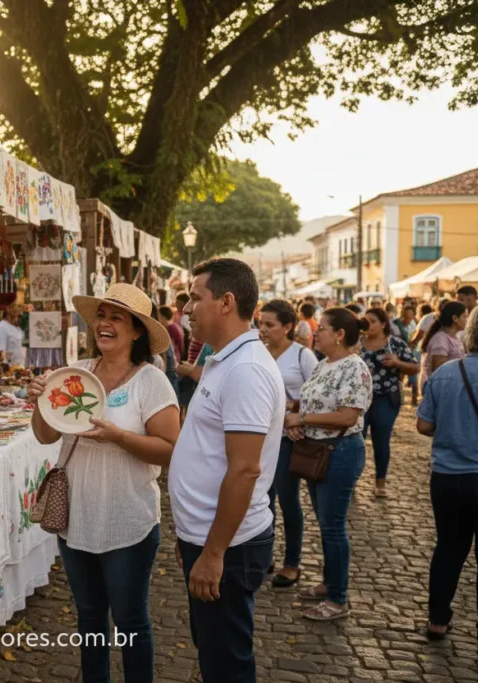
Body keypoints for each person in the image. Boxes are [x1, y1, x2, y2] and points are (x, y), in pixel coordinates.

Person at [28, 283, 179, 683]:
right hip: (77, 518)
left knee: (130, 621)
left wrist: (120, 437)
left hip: (128, 520)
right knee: (90, 616)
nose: (104, 323)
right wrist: (40, 401)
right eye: (101, 315)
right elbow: (45, 435)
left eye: (117, 317)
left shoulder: (151, 381)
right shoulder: (76, 373)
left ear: (137, 331)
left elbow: (169, 449)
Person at [169, 259, 282, 682]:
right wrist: (192, 534)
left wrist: (213, 552)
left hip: (229, 546)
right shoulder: (225, 360)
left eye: (195, 298)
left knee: (226, 664)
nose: (187, 309)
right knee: (213, 651)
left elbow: (245, 470)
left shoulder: (246, 369)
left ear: (226, 302)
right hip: (209, 536)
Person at [285, 308, 372, 621]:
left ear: (339, 335)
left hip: (341, 451)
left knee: (333, 526)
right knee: (325, 523)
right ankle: (330, 582)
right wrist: (296, 419)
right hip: (317, 451)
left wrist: (303, 419)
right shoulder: (323, 364)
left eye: (322, 328)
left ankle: (338, 599)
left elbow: (348, 416)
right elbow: (311, 403)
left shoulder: (354, 367)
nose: (315, 332)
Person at [417, 304, 478, 658]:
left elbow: (423, 425)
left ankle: (437, 620)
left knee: (448, 548)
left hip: (447, 477)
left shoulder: (446, 373)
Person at [257, 299, 318, 588]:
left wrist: (296, 417)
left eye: (269, 325)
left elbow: (317, 397)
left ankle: (292, 562)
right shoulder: (258, 352)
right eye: (261, 323)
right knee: (261, 499)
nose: (263, 329)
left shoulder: (303, 356)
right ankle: (263, 555)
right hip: (259, 437)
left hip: (287, 439)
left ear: (288, 327)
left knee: (287, 500)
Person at [360, 307, 420, 497]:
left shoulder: (395, 344)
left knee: (381, 440)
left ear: (383, 324)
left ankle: (380, 482)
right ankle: (352, 478)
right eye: (366, 321)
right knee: (356, 440)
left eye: (373, 321)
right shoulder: (356, 343)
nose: (368, 325)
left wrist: (397, 363)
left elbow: (415, 368)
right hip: (359, 400)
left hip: (386, 398)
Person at [421, 301, 468, 388]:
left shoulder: (454, 337)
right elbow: (439, 370)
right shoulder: (440, 339)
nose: (467, 320)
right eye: (465, 316)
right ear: (455, 318)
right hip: (441, 388)